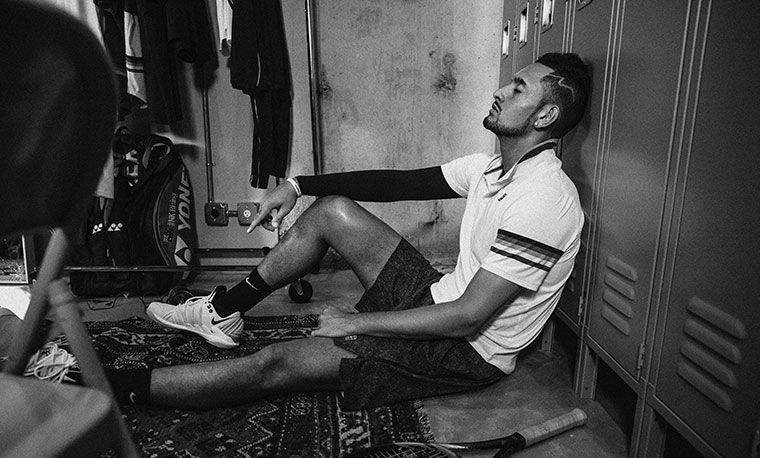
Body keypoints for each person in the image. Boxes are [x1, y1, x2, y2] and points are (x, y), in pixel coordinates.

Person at [122, 52, 590, 411]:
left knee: (276, 362)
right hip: (435, 297)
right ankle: (223, 312)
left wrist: (355, 322)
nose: (501, 90)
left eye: (518, 88)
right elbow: (394, 184)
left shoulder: (544, 199)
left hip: (463, 350)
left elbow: (469, 317)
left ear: (545, 116)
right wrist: (296, 186)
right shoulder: (489, 169)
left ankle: (111, 389)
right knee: (332, 210)